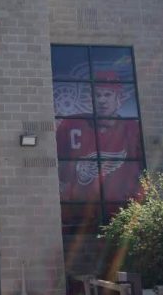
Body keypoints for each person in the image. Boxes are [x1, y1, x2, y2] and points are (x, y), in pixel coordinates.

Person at [56, 71, 142, 202]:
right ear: (92, 98)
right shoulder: (71, 123)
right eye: (98, 95)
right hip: (78, 209)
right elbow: (59, 168)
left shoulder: (132, 129)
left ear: (118, 97)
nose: (102, 100)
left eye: (108, 94)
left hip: (122, 208)